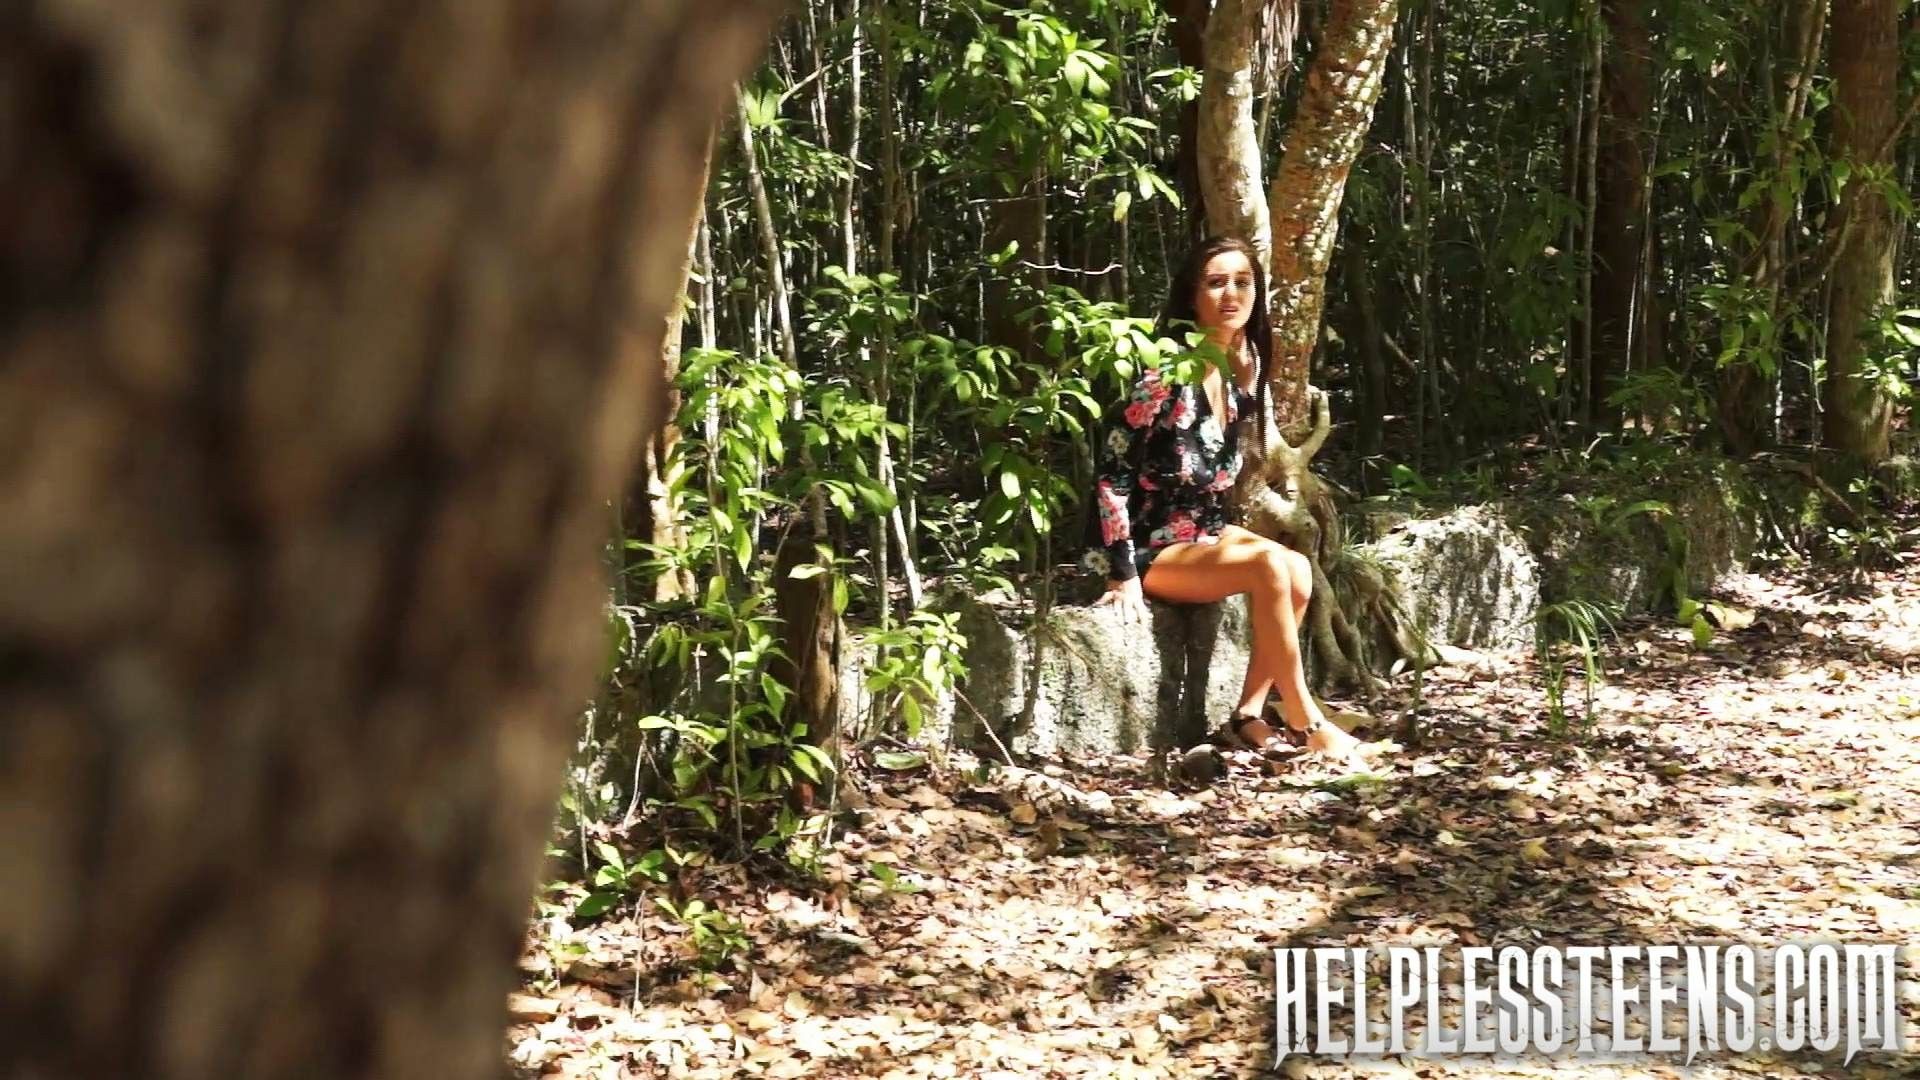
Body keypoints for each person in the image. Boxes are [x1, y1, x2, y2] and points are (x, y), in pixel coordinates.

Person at [1085, 235, 1370, 764]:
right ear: (1192, 296)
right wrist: (1121, 572)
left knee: (1297, 569)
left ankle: (1248, 717)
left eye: (1243, 282)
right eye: (1216, 283)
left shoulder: (1246, 364)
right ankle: (1309, 721)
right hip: (1151, 547)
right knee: (1267, 564)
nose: (1231, 295)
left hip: (1203, 532)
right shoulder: (1163, 374)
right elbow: (1111, 475)